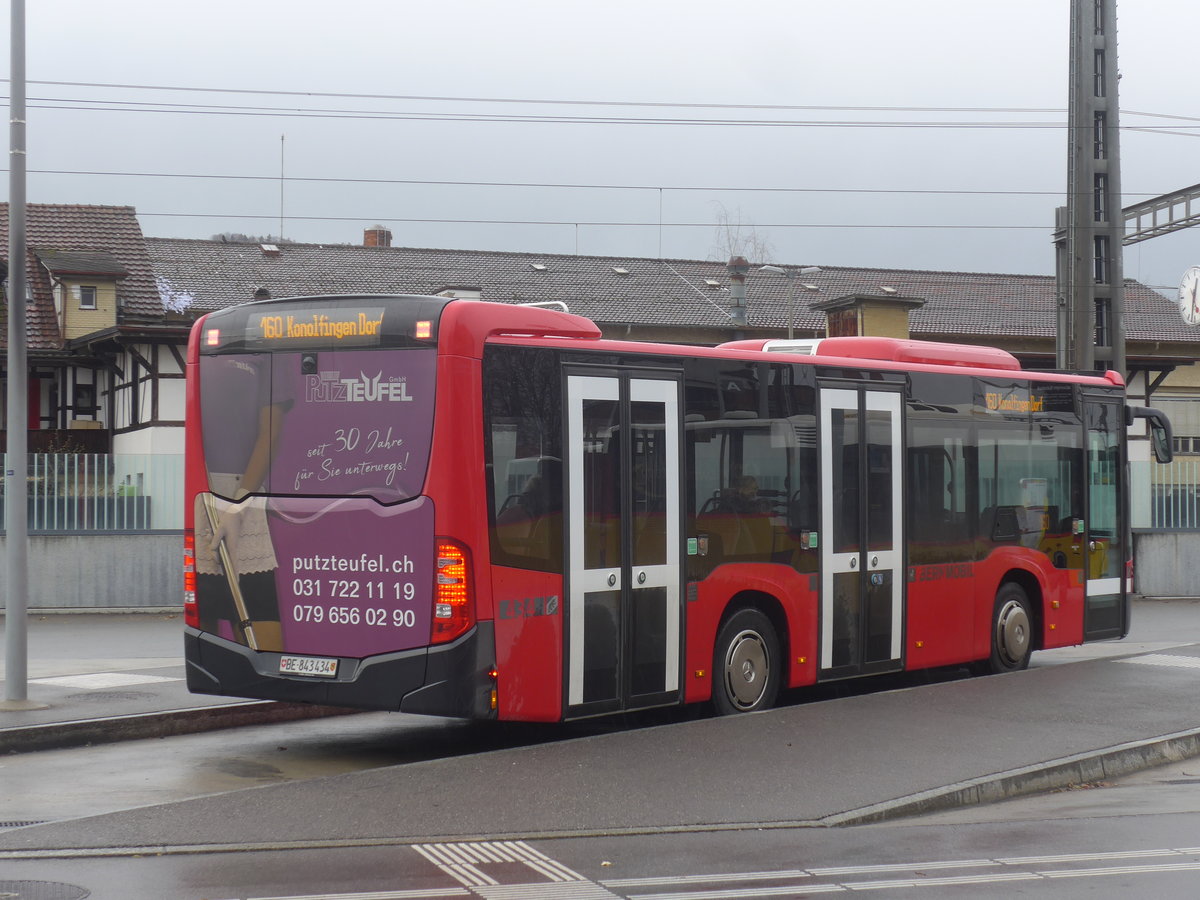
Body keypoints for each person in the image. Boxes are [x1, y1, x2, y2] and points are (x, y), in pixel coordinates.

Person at [194, 355, 291, 652]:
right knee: (203, 621)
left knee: (263, 637)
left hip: (243, 495)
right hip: (202, 496)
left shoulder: (270, 351)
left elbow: (271, 433)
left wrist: (239, 505)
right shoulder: (206, 347)